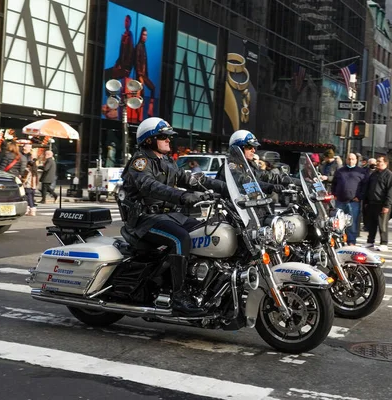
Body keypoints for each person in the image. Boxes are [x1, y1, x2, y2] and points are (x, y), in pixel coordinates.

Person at [120, 117, 226, 315]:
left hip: (169, 217)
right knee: (180, 238)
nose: (169, 140)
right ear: (149, 140)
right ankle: (178, 296)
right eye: (163, 137)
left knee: (206, 231)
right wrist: (183, 195)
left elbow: (191, 179)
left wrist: (227, 189)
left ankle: (199, 284)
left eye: (169, 137)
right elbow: (150, 186)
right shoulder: (140, 162)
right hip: (145, 220)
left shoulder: (167, 162)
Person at [215, 130, 284, 195]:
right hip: (229, 205)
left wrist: (287, 180)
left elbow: (264, 175)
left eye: (254, 147)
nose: (253, 150)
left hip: (245, 205)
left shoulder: (248, 165)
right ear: (239, 148)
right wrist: (269, 187)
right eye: (249, 147)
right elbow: (244, 183)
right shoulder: (231, 166)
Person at [331, 153, 367, 245]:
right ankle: (339, 241)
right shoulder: (340, 171)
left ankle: (351, 242)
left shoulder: (361, 172)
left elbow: (365, 186)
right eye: (349, 159)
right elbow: (334, 183)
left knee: (352, 223)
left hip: (353, 202)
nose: (350, 161)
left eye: (353, 159)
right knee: (338, 223)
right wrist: (334, 194)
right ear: (346, 160)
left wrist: (359, 197)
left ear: (356, 160)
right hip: (340, 201)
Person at [363, 156, 392, 252]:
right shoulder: (374, 174)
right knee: (372, 224)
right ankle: (370, 241)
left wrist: (387, 205)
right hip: (372, 203)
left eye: (379, 161)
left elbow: (391, 191)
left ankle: (384, 243)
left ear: (385, 163)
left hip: (382, 203)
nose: (377, 163)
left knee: (382, 224)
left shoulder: (389, 175)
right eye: (377, 161)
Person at [104, 14, 134, 80]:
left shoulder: (130, 35)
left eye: (127, 21)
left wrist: (125, 67)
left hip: (125, 68)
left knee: (107, 74)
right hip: (121, 65)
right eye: (125, 21)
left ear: (130, 23)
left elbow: (130, 53)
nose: (125, 23)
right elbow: (121, 53)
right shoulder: (124, 35)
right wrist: (116, 63)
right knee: (107, 75)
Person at [134, 27, 155, 118]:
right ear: (141, 35)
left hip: (144, 74)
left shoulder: (143, 46)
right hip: (140, 75)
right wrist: (140, 76)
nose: (145, 37)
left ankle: (149, 109)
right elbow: (137, 62)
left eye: (146, 35)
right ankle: (140, 115)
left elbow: (144, 63)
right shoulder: (138, 46)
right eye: (143, 34)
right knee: (141, 95)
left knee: (152, 88)